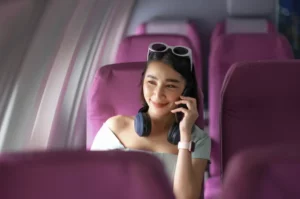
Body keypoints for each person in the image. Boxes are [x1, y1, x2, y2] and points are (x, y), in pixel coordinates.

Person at [91, 42, 211, 199]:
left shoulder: (199, 140)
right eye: (151, 82)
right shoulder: (115, 128)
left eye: (170, 86)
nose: (158, 94)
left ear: (186, 92)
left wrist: (185, 135)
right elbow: (91, 186)